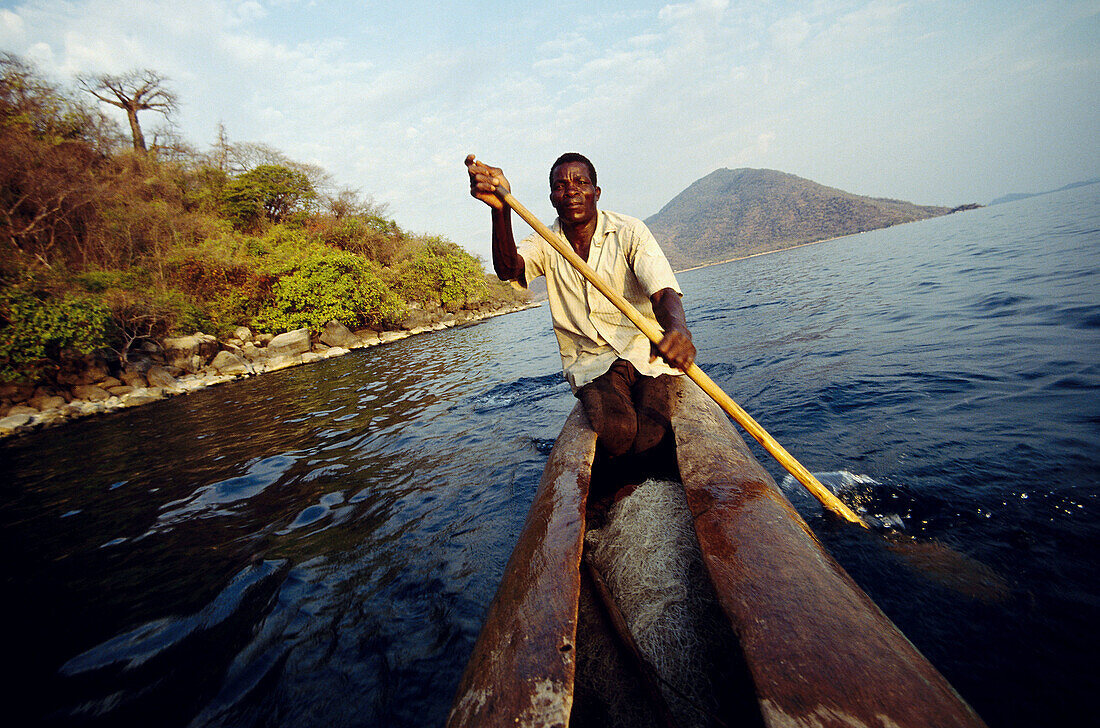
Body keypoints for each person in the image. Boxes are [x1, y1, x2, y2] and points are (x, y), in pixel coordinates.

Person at [465, 152, 696, 474]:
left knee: (653, 433)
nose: (571, 191)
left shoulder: (630, 231)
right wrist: (500, 211)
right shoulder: (544, 242)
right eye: (560, 186)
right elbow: (508, 269)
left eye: (581, 183)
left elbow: (663, 292)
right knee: (618, 433)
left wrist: (678, 330)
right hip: (592, 363)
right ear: (552, 199)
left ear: (596, 192)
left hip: (646, 353)